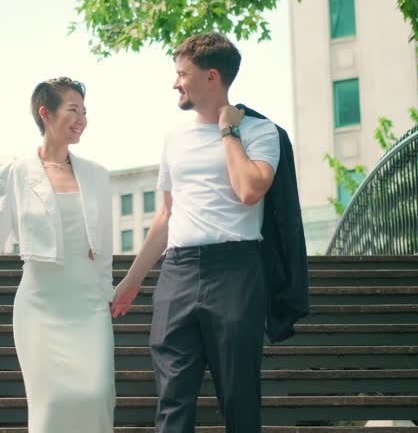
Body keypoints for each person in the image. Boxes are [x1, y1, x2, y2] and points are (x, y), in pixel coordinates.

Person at [111, 32, 309, 433]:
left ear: (211, 77)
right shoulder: (174, 137)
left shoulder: (260, 132)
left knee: (238, 397)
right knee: (172, 398)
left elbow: (250, 190)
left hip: (236, 271)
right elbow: (166, 215)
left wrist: (228, 132)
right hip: (178, 272)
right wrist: (132, 281)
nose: (175, 82)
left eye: (182, 73)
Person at [0, 77, 115, 433]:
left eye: (85, 112)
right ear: (45, 113)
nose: (82, 119)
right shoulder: (11, 176)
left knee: (96, 396)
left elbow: (104, 244)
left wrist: (108, 293)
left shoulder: (97, 175)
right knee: (52, 405)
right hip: (41, 304)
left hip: (88, 304)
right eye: (73, 110)